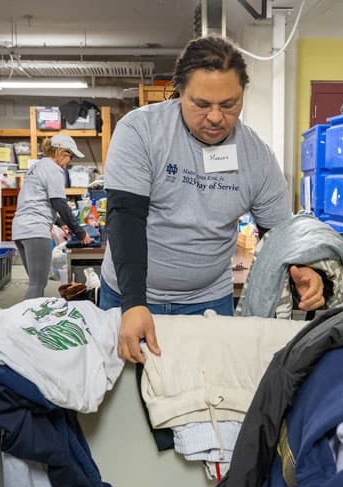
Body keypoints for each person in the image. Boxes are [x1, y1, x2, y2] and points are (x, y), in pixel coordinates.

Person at [100, 35, 326, 363]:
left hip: (208, 303)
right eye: (202, 104)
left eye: (229, 104)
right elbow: (125, 218)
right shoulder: (141, 131)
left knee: (209, 398)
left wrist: (301, 266)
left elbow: (280, 233)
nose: (216, 118)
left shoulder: (255, 155)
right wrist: (135, 304)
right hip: (130, 295)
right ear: (179, 92)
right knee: (124, 401)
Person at [12, 133, 91, 299]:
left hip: (20, 229)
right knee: (38, 284)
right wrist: (80, 233)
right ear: (61, 152)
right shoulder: (54, 169)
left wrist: (61, 222)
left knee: (35, 281)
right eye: (70, 157)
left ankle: (31, 320)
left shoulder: (39, 165)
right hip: (35, 229)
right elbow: (59, 203)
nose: (69, 162)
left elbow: (40, 198)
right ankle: (27, 322)